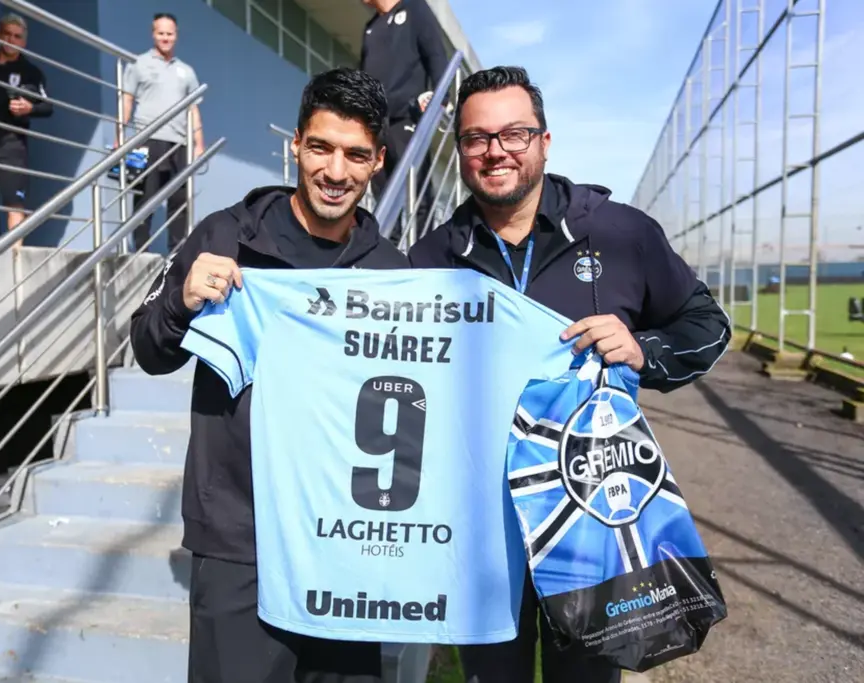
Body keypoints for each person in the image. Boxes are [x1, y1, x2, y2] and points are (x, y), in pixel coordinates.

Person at [407, 66, 732, 683]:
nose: (495, 150)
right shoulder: (431, 258)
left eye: (514, 134)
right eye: (476, 138)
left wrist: (642, 348)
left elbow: (708, 325)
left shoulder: (620, 233)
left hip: (590, 520)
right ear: (460, 153)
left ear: (545, 142)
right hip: (479, 530)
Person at [129, 67, 406, 682]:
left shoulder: (393, 272)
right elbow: (147, 347)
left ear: (379, 161)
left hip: (346, 540)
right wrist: (181, 301)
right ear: (296, 145)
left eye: (356, 155)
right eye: (321, 148)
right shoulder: (224, 235)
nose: (336, 172)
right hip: (237, 537)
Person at [359, 0, 449, 241]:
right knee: (383, 196)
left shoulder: (415, 8)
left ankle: (425, 257)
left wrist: (441, 97)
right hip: (375, 123)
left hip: (406, 116)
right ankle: (390, 257)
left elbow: (436, 53)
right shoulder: (370, 27)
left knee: (417, 192)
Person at [122, 12, 205, 254]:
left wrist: (199, 144)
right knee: (145, 196)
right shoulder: (140, 64)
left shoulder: (186, 71)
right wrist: (121, 135)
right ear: (153, 34)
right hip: (148, 138)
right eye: (161, 33)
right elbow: (127, 100)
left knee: (180, 201)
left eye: (170, 33)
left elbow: (193, 109)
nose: (165, 38)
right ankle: (140, 249)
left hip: (179, 142)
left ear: (176, 36)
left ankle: (177, 251)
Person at [0, 13, 52, 245]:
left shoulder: (31, 72)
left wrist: (28, 108)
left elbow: (48, 106)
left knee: (14, 201)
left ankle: (16, 257)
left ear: (23, 41)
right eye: (7, 34)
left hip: (13, 146)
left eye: (17, 36)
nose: (11, 40)